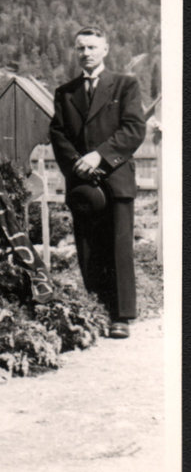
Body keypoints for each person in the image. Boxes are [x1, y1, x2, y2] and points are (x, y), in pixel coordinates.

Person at [49, 26, 146, 338]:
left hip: (116, 180)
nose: (86, 54)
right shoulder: (65, 93)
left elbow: (133, 129)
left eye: (92, 47)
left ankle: (121, 316)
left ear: (105, 49)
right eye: (80, 48)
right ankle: (96, 309)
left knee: (118, 248)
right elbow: (59, 134)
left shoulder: (125, 85)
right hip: (82, 183)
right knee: (88, 249)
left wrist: (99, 157)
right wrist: (79, 165)